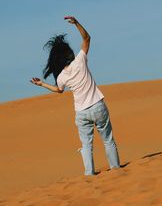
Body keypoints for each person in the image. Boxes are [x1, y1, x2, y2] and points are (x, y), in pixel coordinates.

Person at [30, 16, 120, 175]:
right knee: (108, 140)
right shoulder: (80, 61)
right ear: (68, 53)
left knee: (86, 146)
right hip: (97, 106)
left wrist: (42, 84)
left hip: (81, 113)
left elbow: (59, 90)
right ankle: (116, 170)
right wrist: (77, 23)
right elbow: (87, 38)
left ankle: (89, 174)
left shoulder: (61, 77)